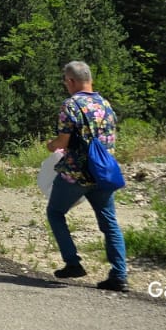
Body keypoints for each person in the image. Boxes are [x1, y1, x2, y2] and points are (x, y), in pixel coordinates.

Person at [46, 61, 129, 292]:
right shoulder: (106, 104)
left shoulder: (70, 105)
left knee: (55, 212)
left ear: (71, 81)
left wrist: (50, 145)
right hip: (104, 173)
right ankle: (119, 275)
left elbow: (62, 142)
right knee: (109, 223)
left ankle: (73, 263)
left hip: (77, 173)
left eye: (65, 81)